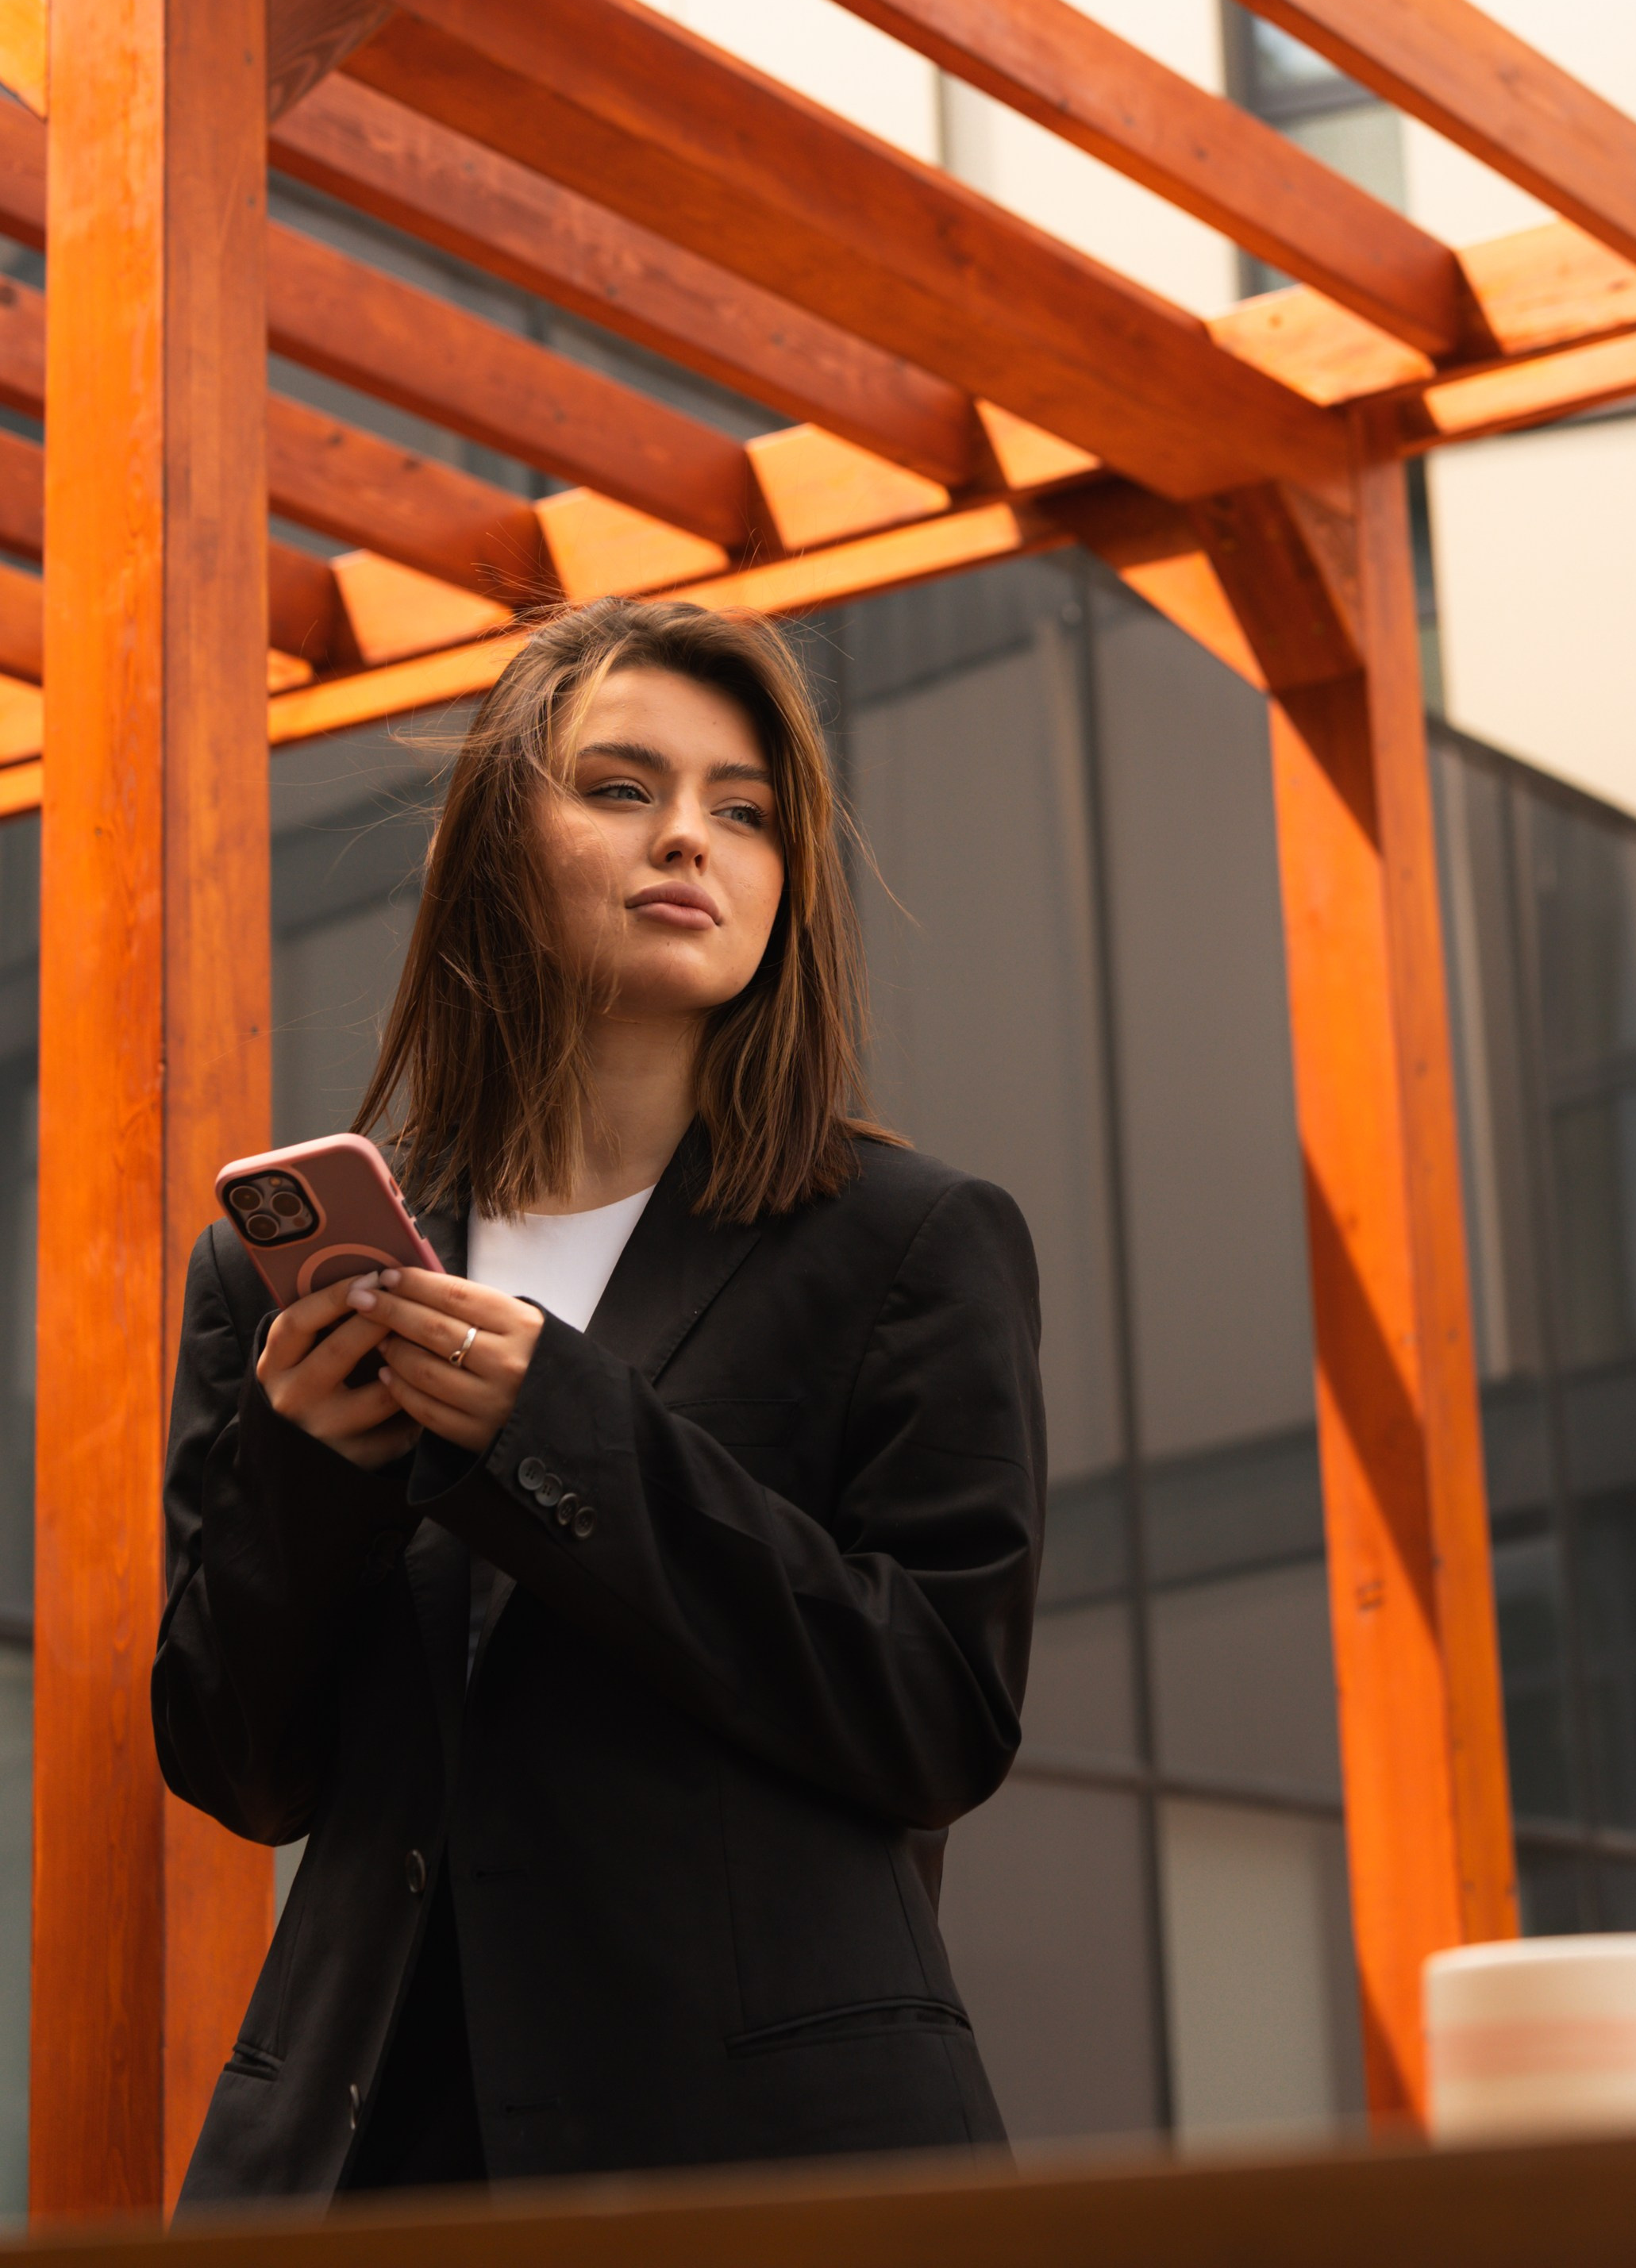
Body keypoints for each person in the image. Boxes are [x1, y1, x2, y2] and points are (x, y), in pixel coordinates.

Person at [154, 594, 1045, 2204]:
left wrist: (552, 1427)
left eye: (745, 808)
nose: (689, 838)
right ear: (498, 842)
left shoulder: (910, 1241)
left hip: (766, 2156)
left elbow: (937, 1716)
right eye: (622, 787)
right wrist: (316, 1474)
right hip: (375, 2149)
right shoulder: (273, 1272)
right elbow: (239, 1762)